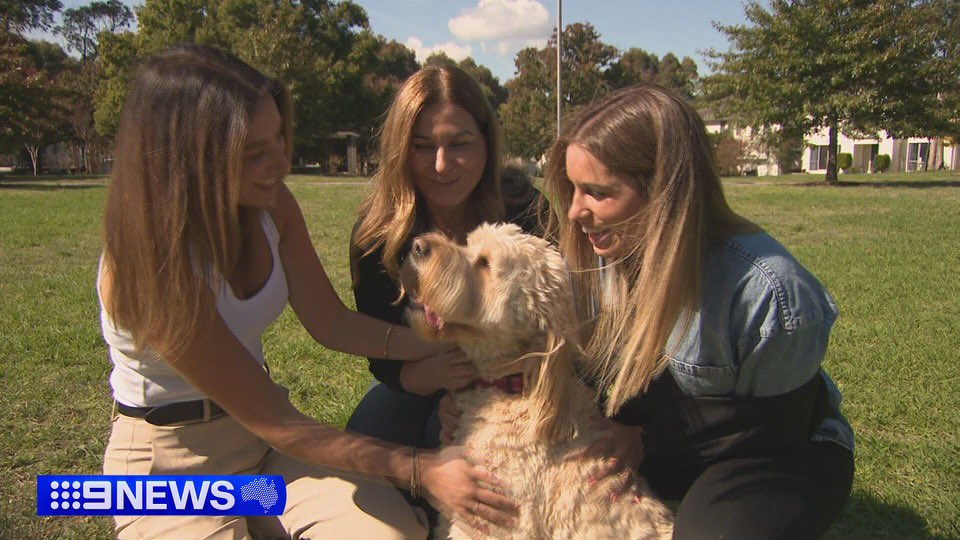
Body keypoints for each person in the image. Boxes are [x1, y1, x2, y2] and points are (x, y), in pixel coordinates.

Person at [98, 44, 517, 539]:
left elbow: (331, 322)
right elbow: (278, 420)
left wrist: (452, 343)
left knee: (391, 534)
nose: (281, 161)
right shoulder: (145, 265)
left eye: (279, 138)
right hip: (170, 470)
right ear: (190, 160)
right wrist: (423, 470)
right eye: (255, 152)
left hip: (258, 458)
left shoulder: (272, 206)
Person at [540, 84, 855, 540]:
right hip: (665, 441)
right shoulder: (600, 260)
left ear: (666, 190)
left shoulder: (769, 291)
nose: (573, 212)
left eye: (597, 193)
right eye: (571, 189)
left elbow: (774, 432)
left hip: (777, 451)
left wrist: (642, 443)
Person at [345, 64, 540, 468]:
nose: (440, 164)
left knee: (469, 449)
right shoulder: (378, 236)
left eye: (459, 143)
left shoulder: (524, 207)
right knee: (367, 443)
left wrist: (489, 386)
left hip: (515, 383)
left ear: (486, 143)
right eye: (421, 146)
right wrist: (423, 378)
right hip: (416, 380)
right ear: (400, 150)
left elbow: (552, 317)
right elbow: (379, 346)